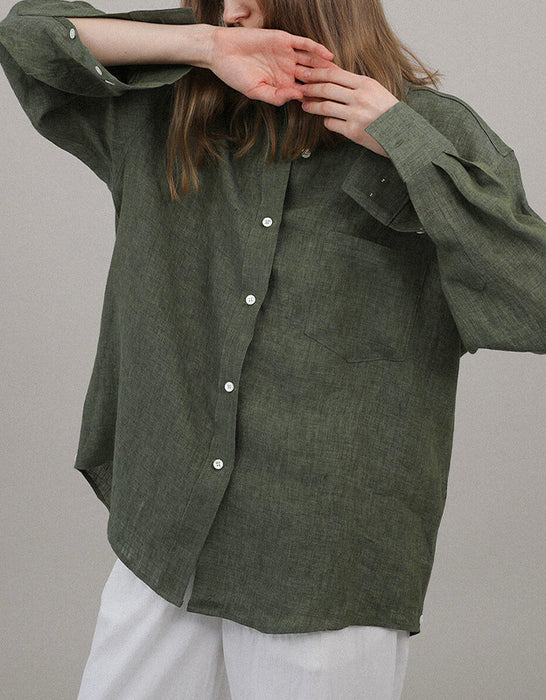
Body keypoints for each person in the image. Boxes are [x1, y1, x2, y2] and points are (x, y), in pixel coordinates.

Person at [1, 1, 544, 698]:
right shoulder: (167, 111)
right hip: (168, 533)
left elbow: (534, 300)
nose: (234, 10)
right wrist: (202, 45)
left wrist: (404, 142)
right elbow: (28, 36)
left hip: (320, 560)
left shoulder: (434, 132)